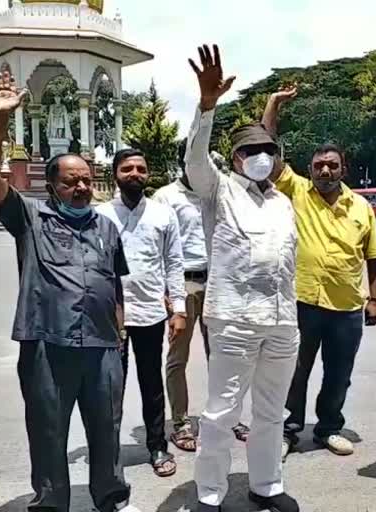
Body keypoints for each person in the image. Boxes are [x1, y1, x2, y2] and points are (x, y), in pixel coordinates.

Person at [0, 68, 138, 512]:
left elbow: (114, 283)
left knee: (107, 426)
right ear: (52, 185)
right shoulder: (30, 219)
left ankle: (112, 498)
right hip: (48, 344)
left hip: (104, 346)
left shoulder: (106, 226)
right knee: (48, 428)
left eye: (86, 179)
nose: (81, 186)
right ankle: (51, 502)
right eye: (70, 180)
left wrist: (121, 332)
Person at [186, 44, 300, 512]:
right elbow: (195, 158)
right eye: (249, 150)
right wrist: (207, 106)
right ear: (234, 158)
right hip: (233, 321)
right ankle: (209, 494)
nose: (259, 156)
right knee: (221, 413)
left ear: (276, 158)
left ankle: (265, 485)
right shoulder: (219, 189)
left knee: (272, 412)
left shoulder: (283, 201)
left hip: (282, 322)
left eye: (267, 151)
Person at [261, 88, 376, 459]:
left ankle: (329, 427)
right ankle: (287, 429)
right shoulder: (296, 192)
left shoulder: (361, 206)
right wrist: (274, 104)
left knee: (338, 373)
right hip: (301, 302)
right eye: (319, 166)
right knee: (294, 371)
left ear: (343, 168)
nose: (325, 170)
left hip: (347, 306)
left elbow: (374, 257)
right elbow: (267, 155)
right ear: (310, 169)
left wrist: (375, 299)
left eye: (332, 165)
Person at [153, 144, 251, 452]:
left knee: (223, 355)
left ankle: (228, 417)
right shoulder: (166, 197)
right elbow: (158, 249)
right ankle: (181, 423)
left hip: (218, 283)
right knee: (178, 357)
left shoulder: (218, 192)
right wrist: (167, 295)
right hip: (182, 284)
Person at [96, 149, 188, 477]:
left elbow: (174, 262)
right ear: (115, 175)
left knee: (151, 384)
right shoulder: (101, 214)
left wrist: (178, 308)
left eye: (140, 168)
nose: (134, 173)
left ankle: (157, 445)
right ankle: (108, 452)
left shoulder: (163, 214)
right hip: (110, 316)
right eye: (127, 169)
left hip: (150, 312)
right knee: (109, 387)